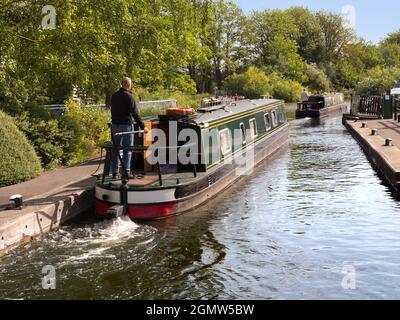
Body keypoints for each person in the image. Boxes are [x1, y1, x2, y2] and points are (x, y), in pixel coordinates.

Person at [111, 77, 149, 179]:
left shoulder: (114, 96)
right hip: (126, 126)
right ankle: (126, 172)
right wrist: (143, 126)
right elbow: (135, 113)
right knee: (128, 149)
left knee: (116, 150)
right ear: (128, 84)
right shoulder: (129, 96)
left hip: (114, 125)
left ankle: (114, 173)